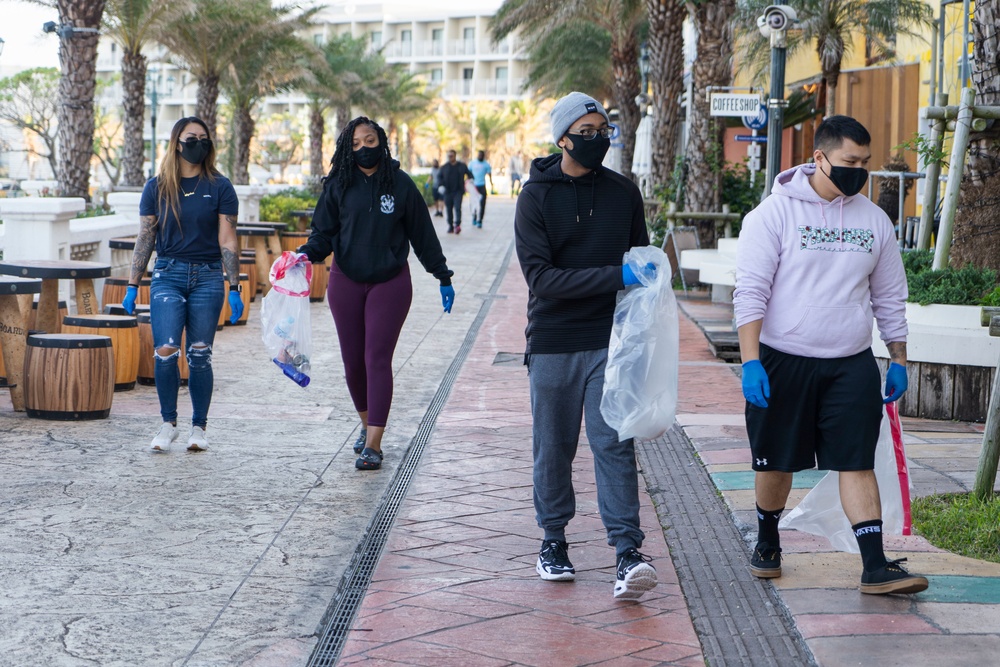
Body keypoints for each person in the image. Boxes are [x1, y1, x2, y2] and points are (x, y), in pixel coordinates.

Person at [733, 115, 927, 595]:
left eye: (865, 162)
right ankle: (767, 541)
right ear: (819, 158)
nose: (859, 171)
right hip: (783, 360)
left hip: (850, 362)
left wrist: (898, 357)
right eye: (849, 162)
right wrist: (751, 360)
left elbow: (889, 297)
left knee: (856, 460)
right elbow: (750, 293)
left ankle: (874, 565)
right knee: (776, 462)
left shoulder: (873, 220)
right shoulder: (772, 216)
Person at [515, 91, 658, 600]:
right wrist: (615, 274)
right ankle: (553, 541)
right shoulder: (536, 197)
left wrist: (646, 283)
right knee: (553, 448)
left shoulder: (624, 193)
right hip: (553, 340)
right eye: (588, 131)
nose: (598, 139)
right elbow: (542, 279)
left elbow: (641, 265)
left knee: (613, 445)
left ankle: (627, 552)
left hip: (610, 342)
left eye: (604, 130)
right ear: (563, 137)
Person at [297, 116, 456, 471]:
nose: (363, 149)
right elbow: (323, 233)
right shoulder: (338, 185)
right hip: (345, 281)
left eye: (369, 141)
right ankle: (366, 421)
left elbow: (423, 235)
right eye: (355, 144)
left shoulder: (400, 184)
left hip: (390, 283)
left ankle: (374, 443)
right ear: (345, 149)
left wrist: (442, 275)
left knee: (376, 359)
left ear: (381, 142)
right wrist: (307, 254)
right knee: (353, 363)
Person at [123, 116, 243, 453]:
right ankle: (167, 423)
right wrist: (133, 284)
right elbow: (145, 237)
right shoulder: (156, 187)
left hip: (207, 276)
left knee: (200, 355)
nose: (199, 144)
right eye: (192, 137)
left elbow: (228, 239)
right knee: (165, 352)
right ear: (177, 142)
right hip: (167, 275)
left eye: (204, 138)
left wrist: (235, 287)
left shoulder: (220, 186)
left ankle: (198, 428)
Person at [437, 149, 472, 234]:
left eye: (451, 156)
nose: (450, 157)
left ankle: (457, 225)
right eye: (449, 156)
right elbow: (439, 177)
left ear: (455, 156)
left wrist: (469, 182)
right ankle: (450, 226)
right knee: (448, 209)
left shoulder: (462, 166)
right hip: (447, 192)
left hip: (458, 191)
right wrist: (441, 186)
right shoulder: (444, 167)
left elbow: (470, 175)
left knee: (457, 208)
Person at [468, 150, 493, 228]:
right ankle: (474, 217)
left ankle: (480, 220)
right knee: (474, 203)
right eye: (479, 155)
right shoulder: (472, 163)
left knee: (482, 204)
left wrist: (491, 184)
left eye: (482, 155)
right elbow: (468, 174)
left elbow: (489, 175)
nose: (480, 156)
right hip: (474, 186)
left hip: (482, 186)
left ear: (483, 156)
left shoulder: (486, 164)